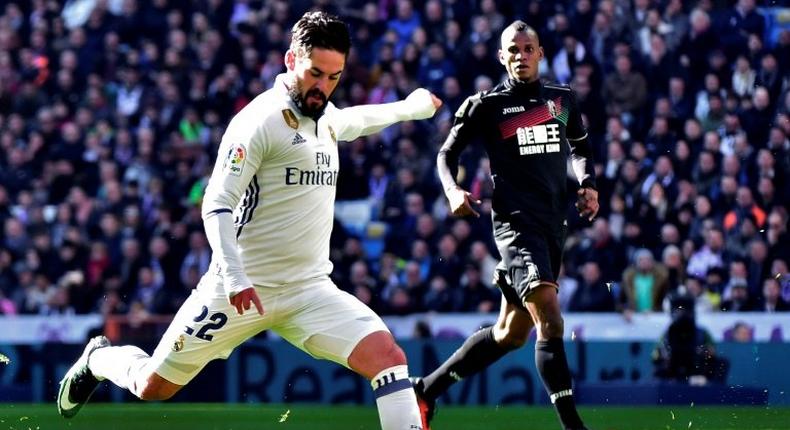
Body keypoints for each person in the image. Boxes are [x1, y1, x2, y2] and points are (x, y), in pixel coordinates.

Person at [57, 12, 440, 430]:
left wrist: (410, 108)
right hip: (240, 288)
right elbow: (217, 203)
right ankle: (98, 358)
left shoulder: (325, 117)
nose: (324, 87)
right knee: (153, 385)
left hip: (309, 290)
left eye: (334, 77)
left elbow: (357, 120)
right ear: (290, 59)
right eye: (316, 74)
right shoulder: (257, 122)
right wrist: (235, 276)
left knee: (390, 359)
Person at [413, 21, 597, 430]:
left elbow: (581, 147)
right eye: (513, 50)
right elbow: (447, 154)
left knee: (510, 333)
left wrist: (587, 183)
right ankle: (573, 427)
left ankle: (424, 391)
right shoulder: (487, 105)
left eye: (528, 48)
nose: (521, 55)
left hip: (553, 227)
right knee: (549, 317)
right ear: (502, 56)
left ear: (541, 52)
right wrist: (452, 190)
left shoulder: (560, 100)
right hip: (516, 228)